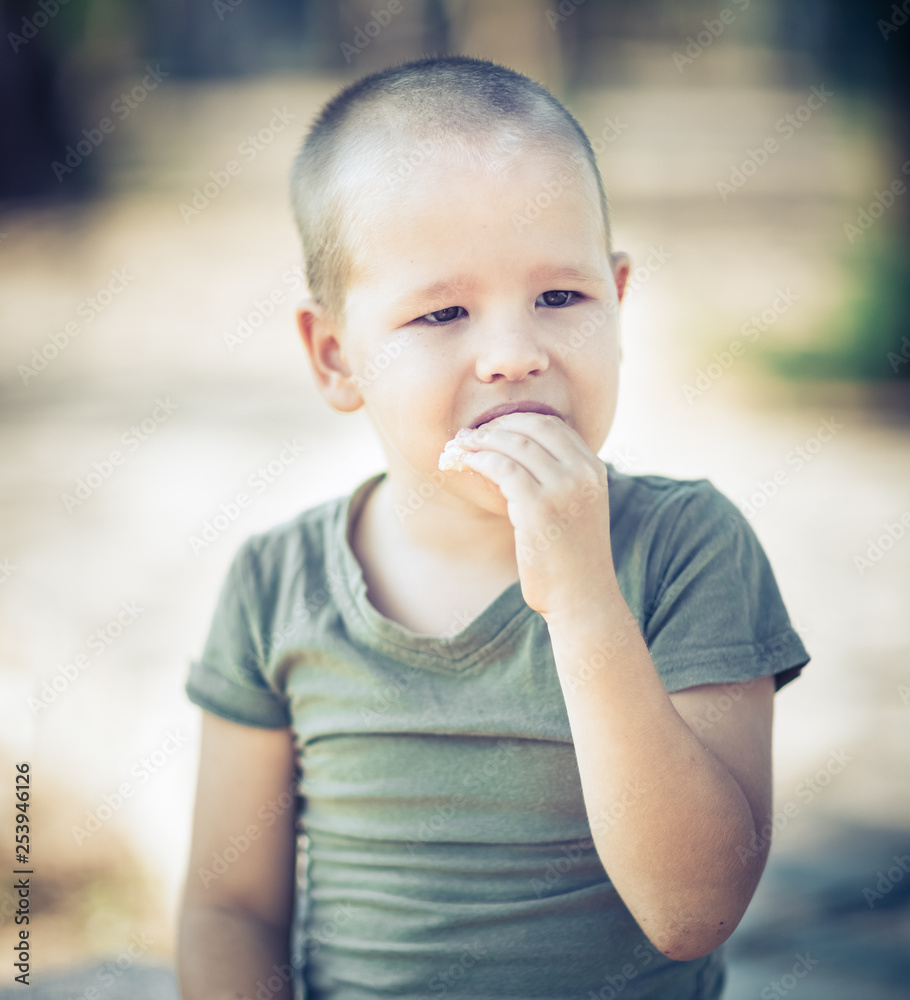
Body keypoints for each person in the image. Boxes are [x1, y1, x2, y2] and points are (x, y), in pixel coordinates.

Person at [176, 56, 810, 1000]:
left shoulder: (686, 548)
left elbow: (693, 911)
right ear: (337, 357)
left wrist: (588, 604)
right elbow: (231, 908)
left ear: (621, 301)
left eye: (562, 297)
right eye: (442, 312)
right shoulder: (277, 586)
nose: (514, 355)